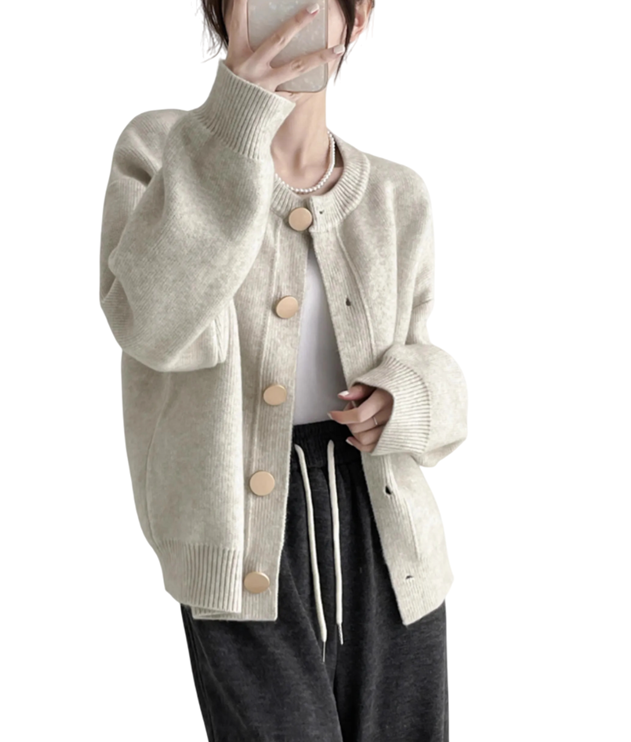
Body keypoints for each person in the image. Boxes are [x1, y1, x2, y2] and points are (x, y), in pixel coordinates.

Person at [99, 0, 468, 739]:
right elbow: (151, 326)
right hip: (236, 546)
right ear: (222, 12)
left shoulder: (397, 196)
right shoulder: (163, 155)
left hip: (390, 547)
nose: (287, 14)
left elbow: (436, 372)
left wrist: (406, 399)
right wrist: (237, 120)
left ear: (356, 17)